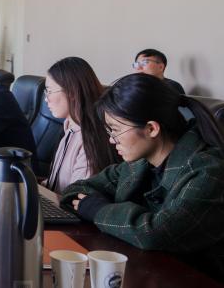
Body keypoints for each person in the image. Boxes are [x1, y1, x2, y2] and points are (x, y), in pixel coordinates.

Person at [62, 73, 224, 279]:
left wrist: (99, 210)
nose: (112, 140)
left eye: (116, 130)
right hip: (146, 272)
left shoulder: (208, 170)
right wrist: (103, 209)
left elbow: (156, 233)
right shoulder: (139, 164)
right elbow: (76, 190)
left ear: (151, 129)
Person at [42, 57, 119, 193]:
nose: (46, 99)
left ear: (71, 92)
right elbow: (57, 183)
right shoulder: (69, 128)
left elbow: (75, 196)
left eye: (49, 91)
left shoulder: (89, 139)